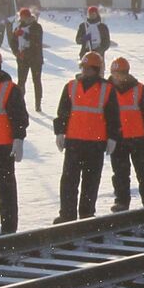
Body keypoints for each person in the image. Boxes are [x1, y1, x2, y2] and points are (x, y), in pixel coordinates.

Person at [52, 51, 120, 222]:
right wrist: (60, 131)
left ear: (96, 69)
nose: (85, 71)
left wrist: (113, 137)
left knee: (91, 181)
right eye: (83, 67)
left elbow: (113, 115)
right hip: (74, 141)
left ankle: (87, 214)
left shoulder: (107, 89)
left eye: (88, 68)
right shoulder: (71, 86)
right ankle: (66, 214)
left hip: (96, 143)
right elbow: (63, 112)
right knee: (69, 180)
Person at [107, 57, 144, 211]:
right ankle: (122, 202)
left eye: (121, 73)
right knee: (120, 174)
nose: (118, 76)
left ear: (127, 73)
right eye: (115, 73)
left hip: (139, 139)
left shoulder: (140, 89)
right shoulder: (106, 90)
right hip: (118, 139)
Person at [0, 51, 29, 235]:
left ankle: (8, 232)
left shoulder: (10, 89)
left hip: (3, 148)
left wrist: (18, 138)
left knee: (5, 192)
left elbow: (19, 117)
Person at [10, 7, 44, 113]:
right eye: (21, 17)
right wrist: (16, 52)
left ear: (29, 17)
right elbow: (13, 42)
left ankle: (38, 103)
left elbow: (37, 41)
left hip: (35, 58)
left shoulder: (37, 27)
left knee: (36, 81)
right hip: (22, 59)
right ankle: (20, 103)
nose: (22, 19)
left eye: (24, 17)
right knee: (21, 82)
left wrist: (24, 35)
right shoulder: (18, 27)